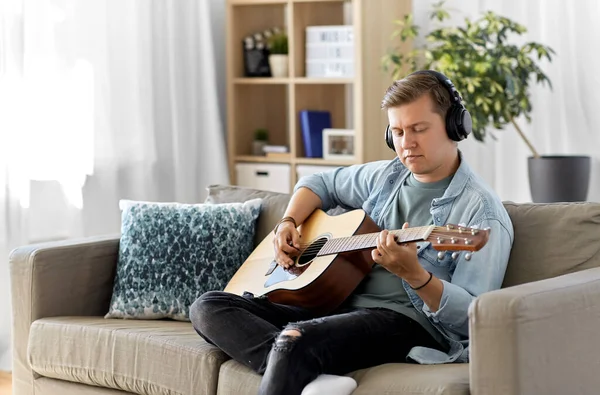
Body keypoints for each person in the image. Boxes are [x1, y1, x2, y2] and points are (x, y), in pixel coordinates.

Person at [190, 70, 514, 395]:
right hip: (337, 303)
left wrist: (416, 276)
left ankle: (297, 360)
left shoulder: (481, 213)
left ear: (455, 126)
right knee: (209, 306)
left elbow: (473, 318)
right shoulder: (386, 176)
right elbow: (319, 183)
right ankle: (307, 372)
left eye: (419, 129)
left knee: (295, 340)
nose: (406, 144)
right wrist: (288, 222)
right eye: (398, 132)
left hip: (405, 322)